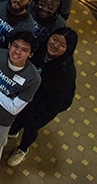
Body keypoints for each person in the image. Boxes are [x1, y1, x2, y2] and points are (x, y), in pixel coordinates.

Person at [6, 28, 77, 167]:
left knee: (31, 128)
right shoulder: (38, 48)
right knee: (18, 118)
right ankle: (13, 131)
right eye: (54, 39)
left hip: (44, 107)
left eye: (62, 45)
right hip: (26, 96)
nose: (55, 45)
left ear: (68, 50)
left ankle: (22, 149)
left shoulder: (66, 73)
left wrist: (39, 108)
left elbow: (63, 101)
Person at [0, 31, 41, 184]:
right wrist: (3, 98)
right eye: (15, 46)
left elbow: (13, 108)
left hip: (3, 118)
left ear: (31, 54)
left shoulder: (33, 78)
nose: (17, 52)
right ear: (9, 45)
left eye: (24, 50)